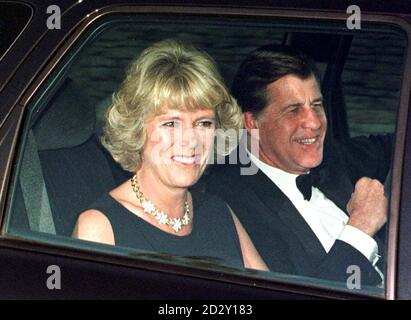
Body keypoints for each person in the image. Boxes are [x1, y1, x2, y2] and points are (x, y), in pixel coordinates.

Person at [202, 44, 392, 285]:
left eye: (316, 105)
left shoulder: (334, 158)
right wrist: (362, 226)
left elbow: (398, 144)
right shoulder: (230, 202)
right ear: (251, 123)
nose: (314, 123)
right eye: (293, 110)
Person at [72, 39, 267, 271]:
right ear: (136, 130)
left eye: (203, 123)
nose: (191, 140)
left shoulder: (218, 212)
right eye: (171, 123)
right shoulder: (99, 228)